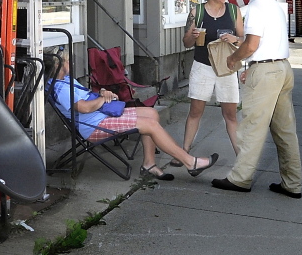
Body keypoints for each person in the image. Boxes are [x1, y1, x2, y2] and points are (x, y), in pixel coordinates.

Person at [47, 51, 218, 180]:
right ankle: (190, 162)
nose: (71, 62)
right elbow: (83, 108)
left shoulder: (65, 81)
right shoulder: (60, 88)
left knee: (151, 113)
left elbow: (86, 97)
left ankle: (149, 165)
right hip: (94, 126)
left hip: (100, 115)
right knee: (150, 125)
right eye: (68, 61)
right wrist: (101, 99)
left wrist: (103, 92)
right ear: (59, 66)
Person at [211, 0, 302, 198]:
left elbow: (252, 44)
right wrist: (251, 65)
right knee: (285, 131)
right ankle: (292, 183)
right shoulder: (273, 4)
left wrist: (234, 58)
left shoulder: (255, 6)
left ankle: (240, 178)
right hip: (282, 68)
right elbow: (264, 43)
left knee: (252, 127)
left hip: (266, 71)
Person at [174, 0, 244, 163]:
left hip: (227, 68)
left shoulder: (233, 11)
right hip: (202, 66)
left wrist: (235, 39)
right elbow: (186, 43)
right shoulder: (197, 12)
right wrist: (193, 36)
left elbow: (244, 39)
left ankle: (242, 158)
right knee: (195, 111)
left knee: (230, 114)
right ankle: (184, 152)